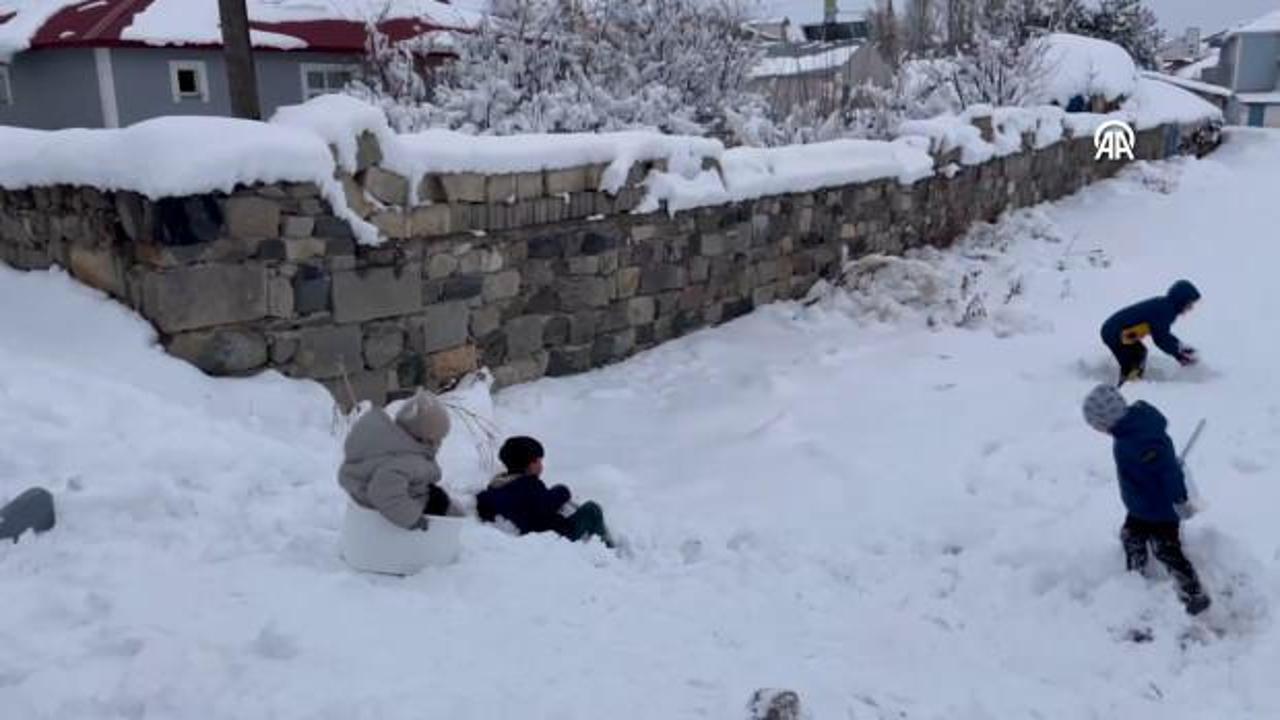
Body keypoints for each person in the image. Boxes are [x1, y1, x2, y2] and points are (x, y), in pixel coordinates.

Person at [1082, 384, 1210, 615]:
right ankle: (1136, 579)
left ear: (1107, 420)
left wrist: (1180, 500)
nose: (1098, 430)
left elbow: (1169, 472)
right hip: (1141, 505)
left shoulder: (1143, 440)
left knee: (1166, 549)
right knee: (1131, 536)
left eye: (1097, 425)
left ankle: (1194, 593)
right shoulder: (1127, 430)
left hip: (1161, 509)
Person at [338, 389, 454, 530]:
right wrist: (412, 518)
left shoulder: (397, 446)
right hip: (394, 506)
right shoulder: (405, 461)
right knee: (439, 504)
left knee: (437, 496)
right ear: (422, 438)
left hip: (398, 494)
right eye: (436, 440)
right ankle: (435, 536)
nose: (438, 444)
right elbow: (383, 492)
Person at [476, 436, 614, 548]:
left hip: (532, 532)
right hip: (557, 535)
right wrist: (563, 490)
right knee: (592, 509)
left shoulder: (498, 485)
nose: (541, 466)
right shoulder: (529, 484)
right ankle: (605, 549)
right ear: (530, 465)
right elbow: (545, 505)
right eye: (539, 461)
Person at [1100, 280, 1201, 385]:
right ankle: (1129, 387)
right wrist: (1179, 353)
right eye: (1190, 303)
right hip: (1114, 332)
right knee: (1136, 356)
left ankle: (1130, 385)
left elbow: (1162, 333)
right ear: (1181, 300)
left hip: (1116, 331)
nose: (1190, 308)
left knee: (1138, 353)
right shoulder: (1165, 310)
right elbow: (1160, 337)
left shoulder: (1165, 306)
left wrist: (1179, 348)